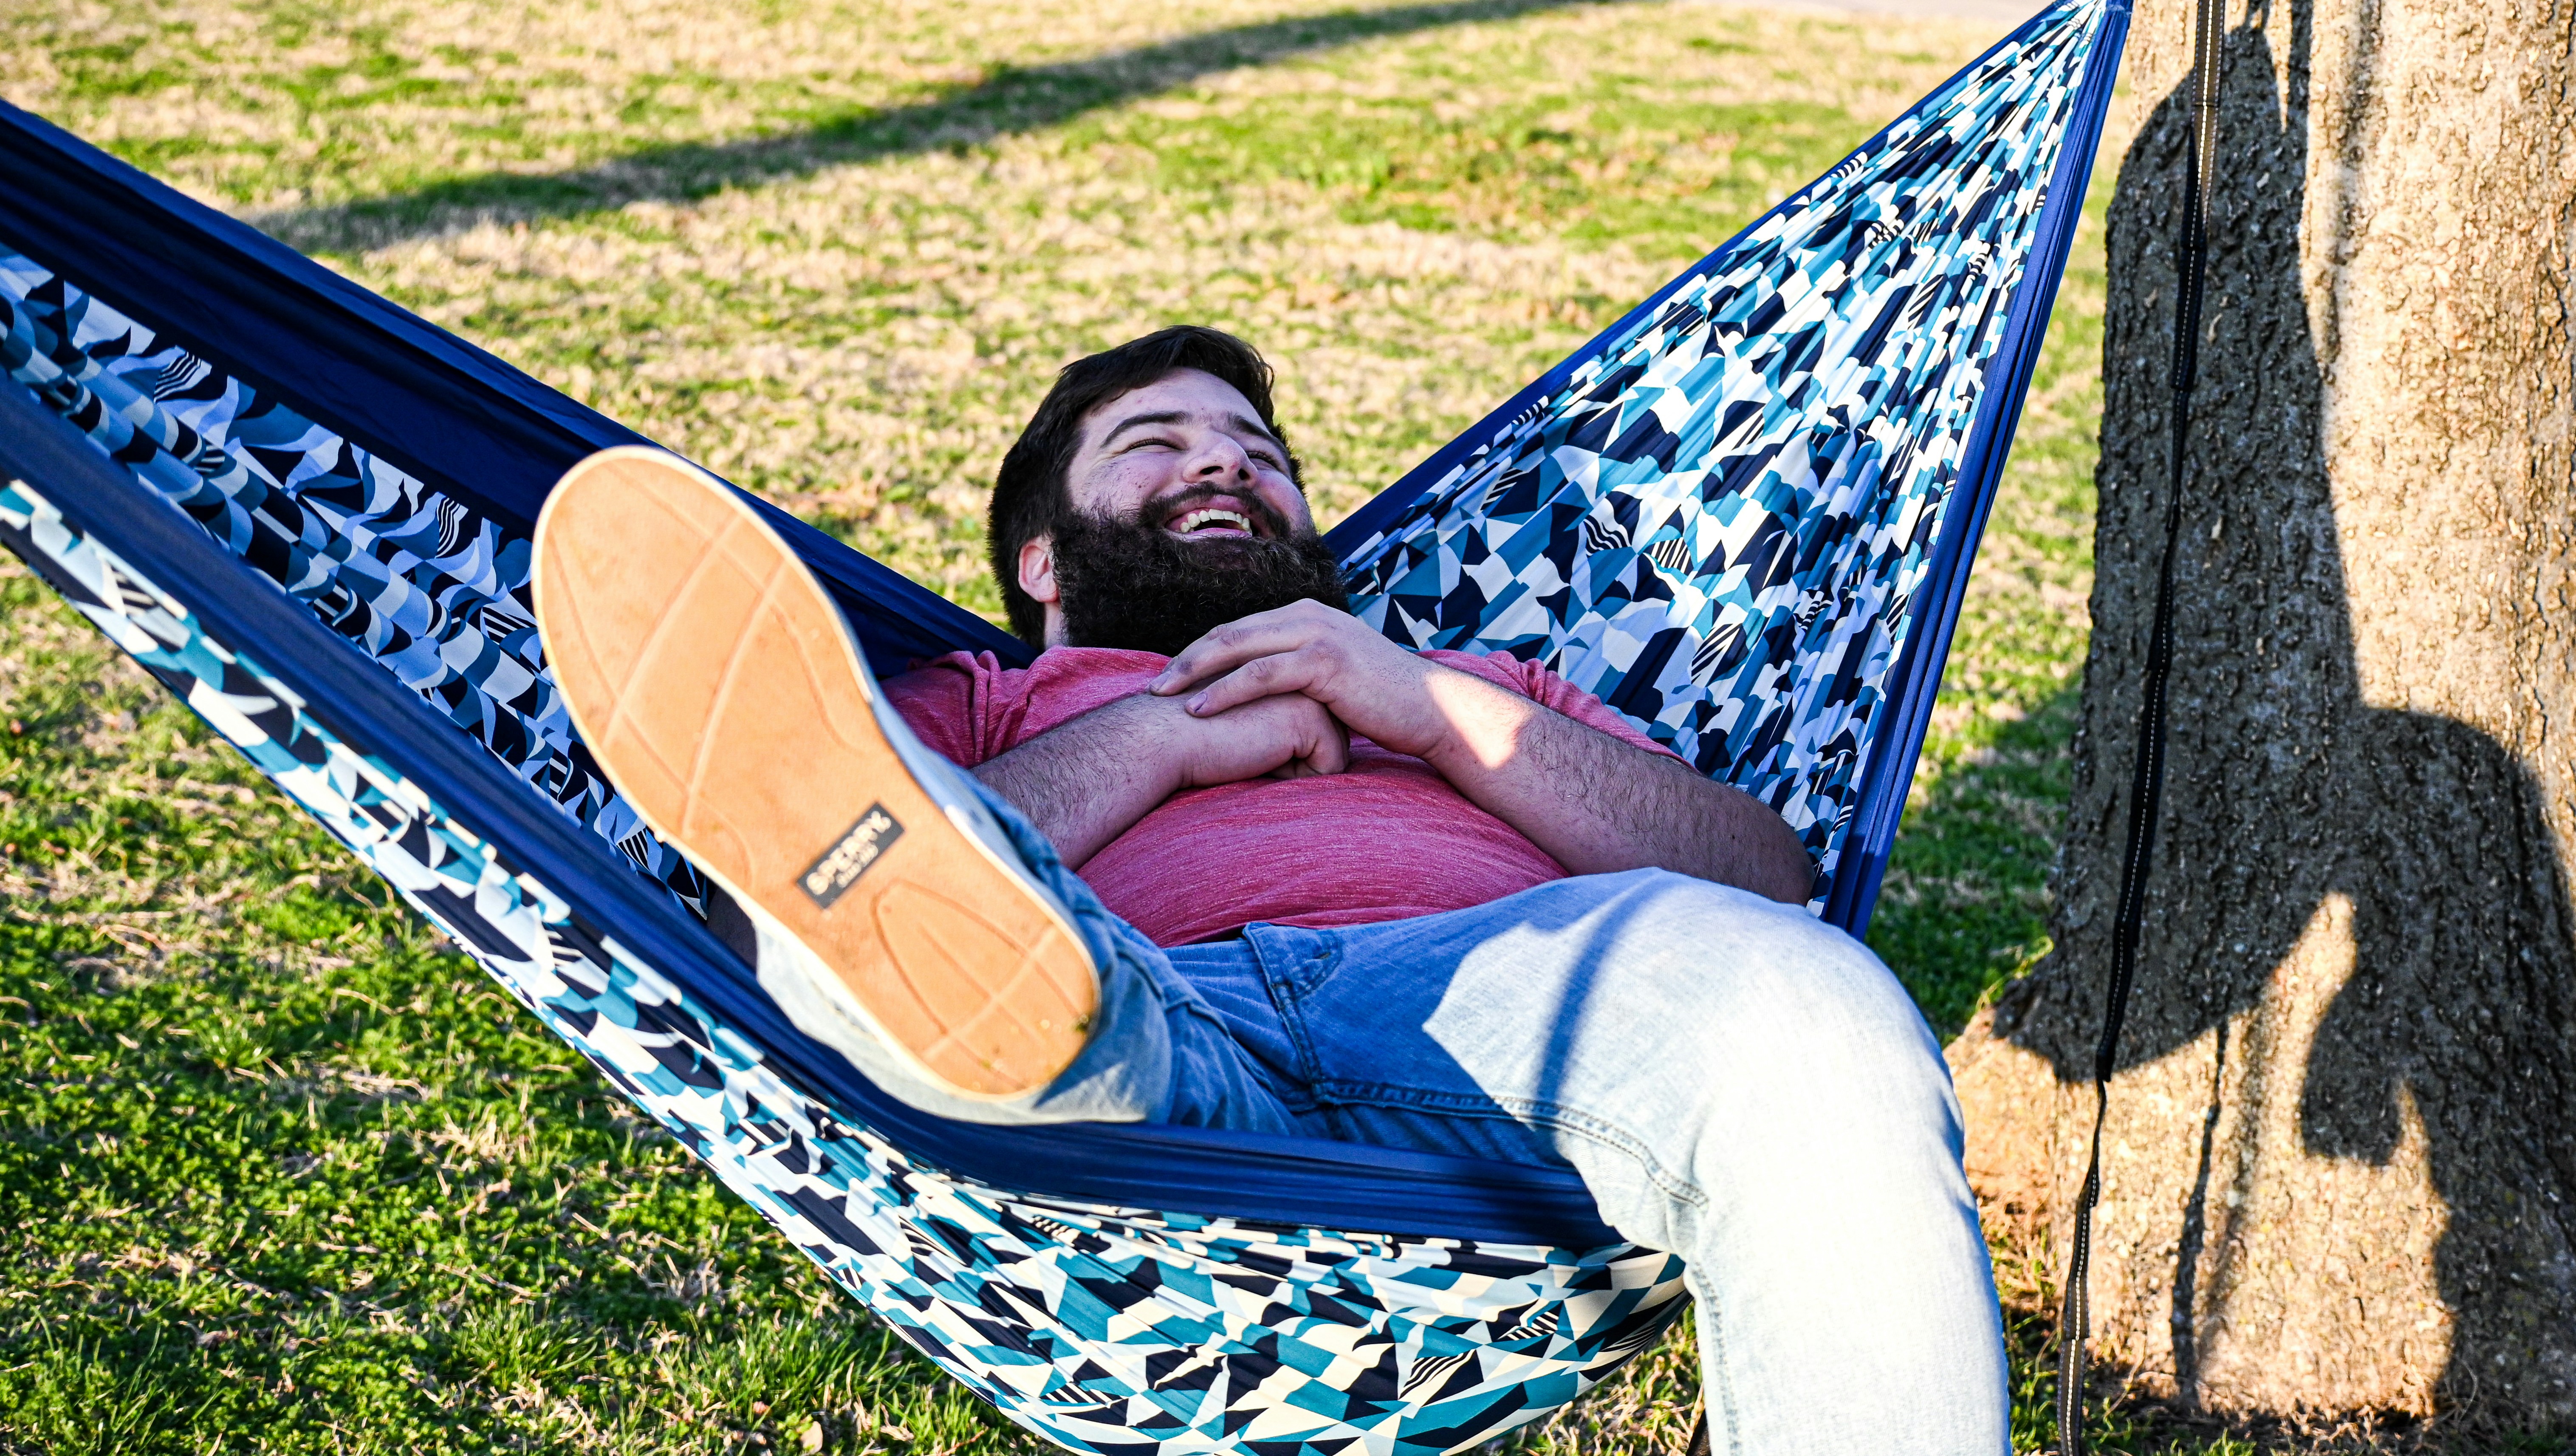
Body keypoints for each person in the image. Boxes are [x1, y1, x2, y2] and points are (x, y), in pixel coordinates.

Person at [531, 326, 2008, 1454]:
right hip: (1152, 1019)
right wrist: (1168, 735)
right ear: (1039, 560)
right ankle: (1024, 1012)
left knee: (1809, 1014)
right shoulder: (972, 700)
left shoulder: (1476, 686)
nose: (1226, 463)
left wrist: (1430, 710)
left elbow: (1771, 876)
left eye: (1255, 448)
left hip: (1516, 999)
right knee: (961, 928)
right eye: (1156, 443)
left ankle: (1029, 1017)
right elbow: (763, 921)